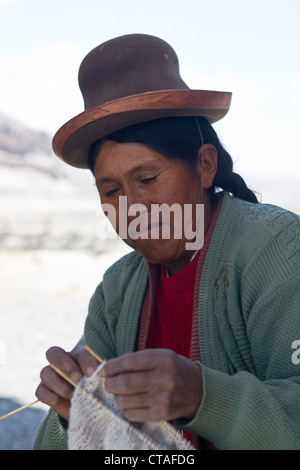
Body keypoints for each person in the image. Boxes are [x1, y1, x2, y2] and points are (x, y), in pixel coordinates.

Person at [33, 34, 300, 450]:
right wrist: (73, 413)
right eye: (111, 191)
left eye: (147, 179)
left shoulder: (279, 250)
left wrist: (201, 395)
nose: (133, 208)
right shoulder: (117, 292)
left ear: (204, 165)